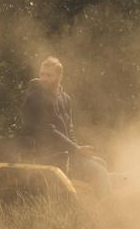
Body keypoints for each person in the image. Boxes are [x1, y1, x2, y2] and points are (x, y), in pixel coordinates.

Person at [17, 57, 111, 194]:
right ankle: (108, 209)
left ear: (59, 76)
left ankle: (93, 204)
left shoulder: (65, 98)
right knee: (99, 171)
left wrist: (76, 151)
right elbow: (48, 129)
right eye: (42, 74)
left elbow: (69, 128)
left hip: (65, 152)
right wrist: (75, 149)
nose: (44, 78)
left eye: (49, 75)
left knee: (101, 162)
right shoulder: (36, 97)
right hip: (47, 154)